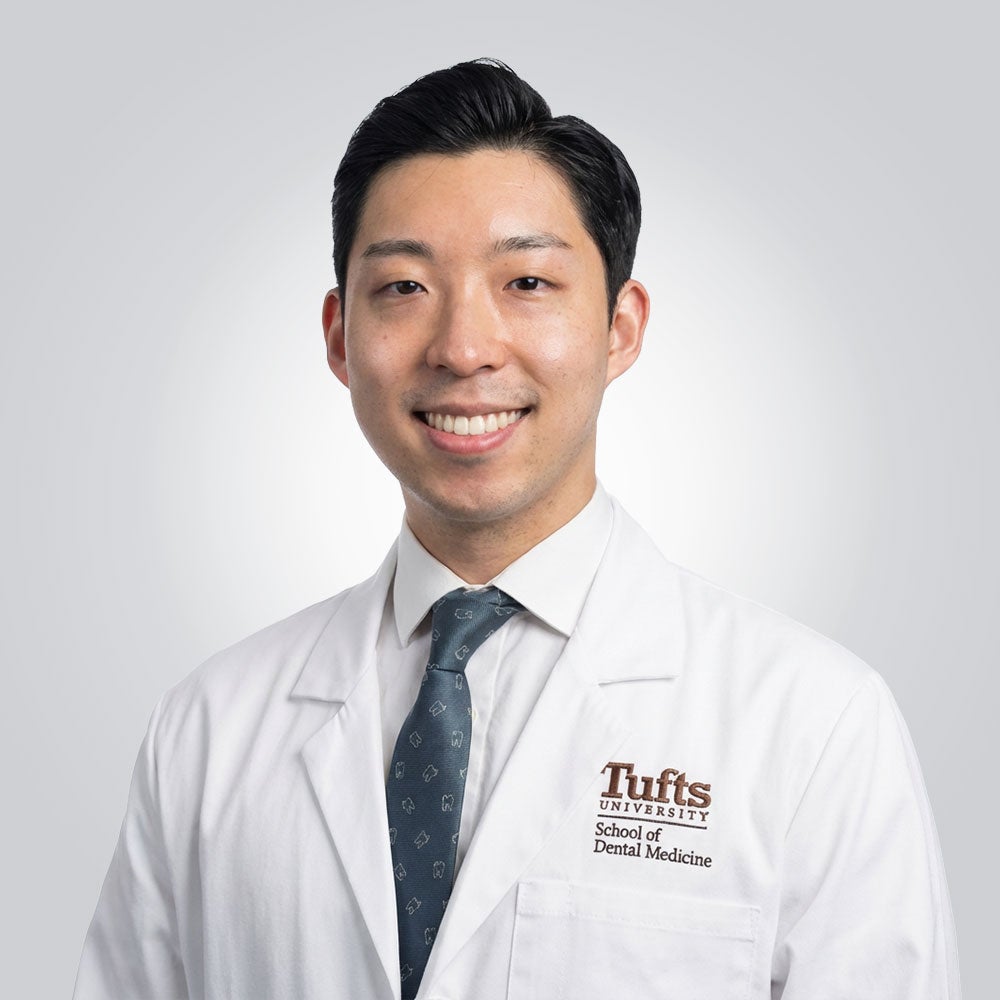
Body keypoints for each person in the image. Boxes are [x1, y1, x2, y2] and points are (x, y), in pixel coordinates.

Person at [74, 59, 961, 1000]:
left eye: (527, 280)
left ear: (620, 327)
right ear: (339, 337)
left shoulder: (813, 725)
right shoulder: (208, 730)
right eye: (404, 287)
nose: (464, 348)